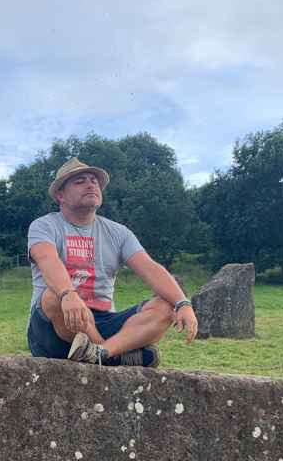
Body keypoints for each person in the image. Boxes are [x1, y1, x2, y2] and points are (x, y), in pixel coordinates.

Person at [26, 157, 198, 366]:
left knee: (166, 307)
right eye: (79, 181)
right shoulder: (44, 225)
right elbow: (47, 259)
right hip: (54, 329)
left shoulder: (118, 232)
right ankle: (110, 355)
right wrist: (68, 293)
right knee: (53, 296)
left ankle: (101, 353)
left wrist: (183, 303)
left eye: (94, 180)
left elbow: (150, 269)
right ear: (60, 195)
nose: (90, 184)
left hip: (104, 321)